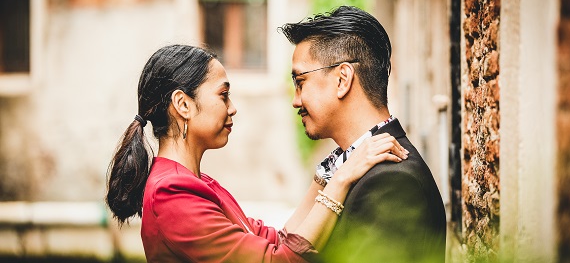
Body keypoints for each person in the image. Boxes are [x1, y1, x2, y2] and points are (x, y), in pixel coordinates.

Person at [105, 44, 408, 262]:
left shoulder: (199, 183)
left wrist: (325, 176)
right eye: (223, 95)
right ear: (183, 104)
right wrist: (341, 180)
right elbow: (279, 260)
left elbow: (278, 241)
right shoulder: (171, 194)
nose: (232, 107)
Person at [279, 5, 447, 263]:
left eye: (300, 83)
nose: (295, 100)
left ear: (342, 79)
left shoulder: (393, 181)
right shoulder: (349, 167)